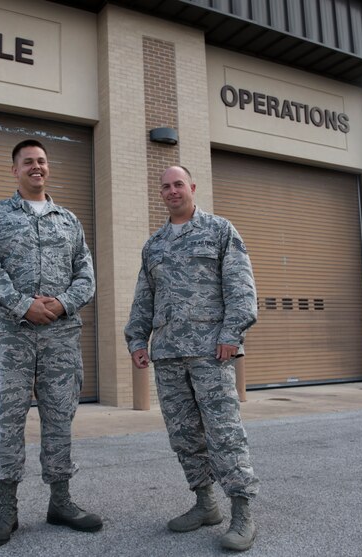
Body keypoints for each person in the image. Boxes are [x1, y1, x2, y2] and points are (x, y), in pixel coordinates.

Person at [0, 139, 102, 547]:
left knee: (60, 419)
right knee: (7, 420)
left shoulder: (69, 220)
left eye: (42, 161)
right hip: (10, 336)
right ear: (15, 170)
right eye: (28, 162)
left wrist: (62, 304)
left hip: (60, 337)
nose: (36, 167)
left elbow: (87, 274)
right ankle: (6, 509)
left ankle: (60, 501)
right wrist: (22, 304)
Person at [124, 165, 260, 552]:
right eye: (165, 187)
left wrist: (232, 334)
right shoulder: (154, 245)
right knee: (183, 434)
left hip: (210, 351)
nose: (171, 191)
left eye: (178, 184)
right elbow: (143, 297)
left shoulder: (219, 231)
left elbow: (241, 287)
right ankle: (204, 504)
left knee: (224, 432)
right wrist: (136, 339)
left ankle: (242, 512)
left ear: (192, 187)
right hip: (168, 354)